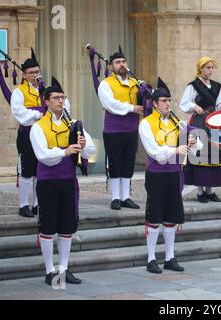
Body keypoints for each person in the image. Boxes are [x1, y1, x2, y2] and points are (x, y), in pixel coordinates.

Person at [30, 77, 96, 285]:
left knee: (67, 227)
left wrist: (83, 146)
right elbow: (42, 155)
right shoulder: (38, 127)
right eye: (56, 98)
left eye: (63, 97)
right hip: (48, 181)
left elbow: (91, 150)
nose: (61, 101)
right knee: (48, 226)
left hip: (68, 181)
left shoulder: (74, 124)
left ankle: (64, 269)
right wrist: (65, 151)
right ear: (46, 101)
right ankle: (49, 271)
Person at [139, 78, 197, 274]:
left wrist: (193, 141)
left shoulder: (177, 123)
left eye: (169, 100)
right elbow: (154, 152)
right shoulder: (146, 124)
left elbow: (198, 145)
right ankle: (151, 258)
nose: (167, 104)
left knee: (172, 216)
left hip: (174, 174)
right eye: (163, 101)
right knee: (155, 216)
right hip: (156, 174)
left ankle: (170, 257)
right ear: (154, 104)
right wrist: (175, 149)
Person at [10, 49, 71, 218]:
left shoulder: (47, 90)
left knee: (40, 168)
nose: (35, 75)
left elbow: (64, 105)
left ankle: (37, 203)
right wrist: (38, 114)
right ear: (24, 75)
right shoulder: (19, 91)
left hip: (47, 133)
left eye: (37, 71)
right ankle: (23, 205)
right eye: (31, 73)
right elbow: (18, 112)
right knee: (26, 169)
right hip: (27, 133)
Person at [98, 46, 143, 210]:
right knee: (115, 163)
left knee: (128, 163)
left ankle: (126, 197)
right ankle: (115, 197)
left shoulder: (135, 83)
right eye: (118, 62)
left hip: (131, 129)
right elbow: (110, 104)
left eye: (123, 61)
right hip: (113, 130)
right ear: (111, 66)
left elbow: (144, 100)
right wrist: (132, 108)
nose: (121, 64)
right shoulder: (106, 83)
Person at [179, 56, 221, 203]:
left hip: (214, 121)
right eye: (208, 68)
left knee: (214, 154)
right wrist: (194, 106)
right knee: (201, 155)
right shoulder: (193, 85)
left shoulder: (217, 86)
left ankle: (210, 191)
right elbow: (184, 103)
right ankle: (200, 192)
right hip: (200, 121)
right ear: (200, 69)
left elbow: (219, 104)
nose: (210, 70)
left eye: (212, 68)